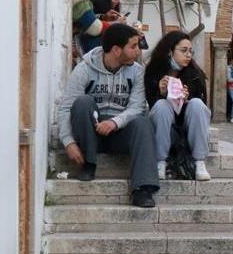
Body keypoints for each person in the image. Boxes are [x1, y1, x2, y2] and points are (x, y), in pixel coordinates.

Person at [57, 24, 159, 208]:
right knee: (82, 102)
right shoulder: (84, 69)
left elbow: (137, 107)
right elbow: (66, 107)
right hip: (90, 134)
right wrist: (68, 142)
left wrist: (114, 122)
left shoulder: (137, 72)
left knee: (143, 123)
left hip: (119, 133)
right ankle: (88, 164)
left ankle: (143, 188)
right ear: (116, 50)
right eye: (133, 46)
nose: (138, 51)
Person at [145, 31, 212, 181]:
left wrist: (187, 99)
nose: (188, 55)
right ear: (170, 51)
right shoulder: (153, 72)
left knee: (197, 104)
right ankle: (160, 161)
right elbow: (151, 105)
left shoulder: (195, 74)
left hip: (187, 123)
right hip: (164, 123)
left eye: (190, 51)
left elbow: (203, 105)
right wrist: (160, 93)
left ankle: (199, 161)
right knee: (161, 105)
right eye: (183, 51)